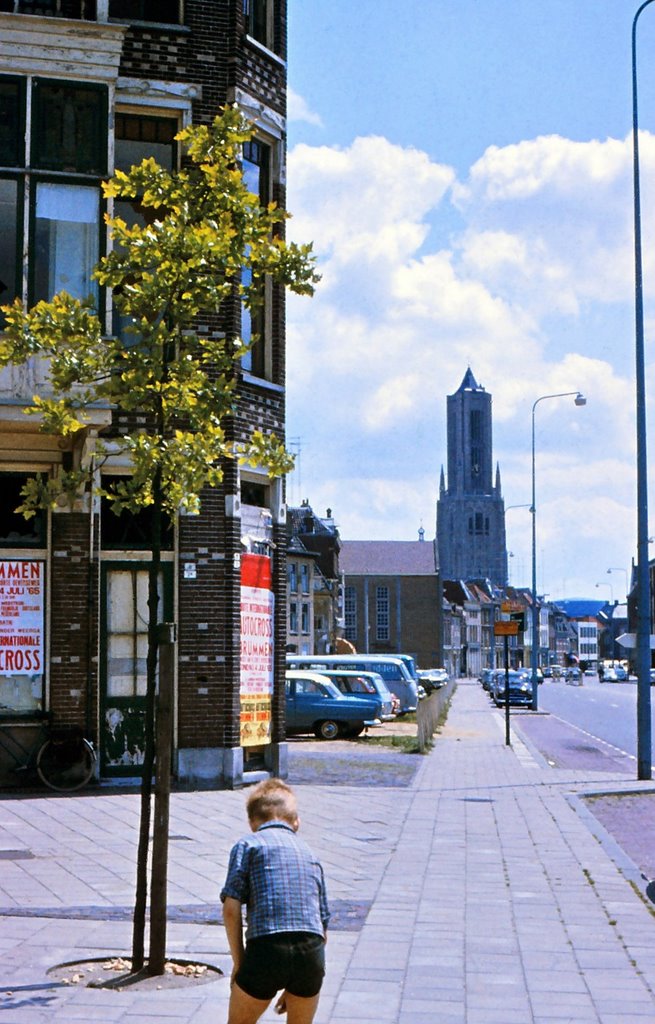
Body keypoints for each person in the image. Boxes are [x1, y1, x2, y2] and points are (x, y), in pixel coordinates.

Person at [221, 779, 329, 1024]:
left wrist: (240, 964)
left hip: (267, 948)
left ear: (252, 822)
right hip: (311, 951)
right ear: (296, 822)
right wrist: (295, 984)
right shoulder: (311, 855)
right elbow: (322, 926)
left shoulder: (248, 845)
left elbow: (230, 909)